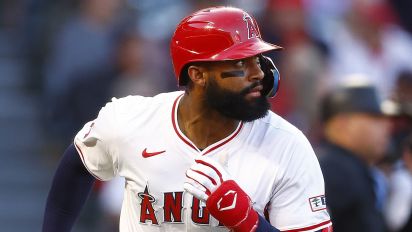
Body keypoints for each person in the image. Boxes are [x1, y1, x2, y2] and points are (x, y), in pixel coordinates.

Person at [42, 6, 332, 232]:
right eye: (241, 64)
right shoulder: (132, 120)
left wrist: (251, 223)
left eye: (258, 60)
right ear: (197, 75)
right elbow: (78, 164)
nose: (258, 74)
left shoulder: (287, 144)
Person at [318, 77, 393, 232]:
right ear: (341, 124)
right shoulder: (333, 169)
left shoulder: (353, 167)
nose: (387, 126)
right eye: (375, 118)